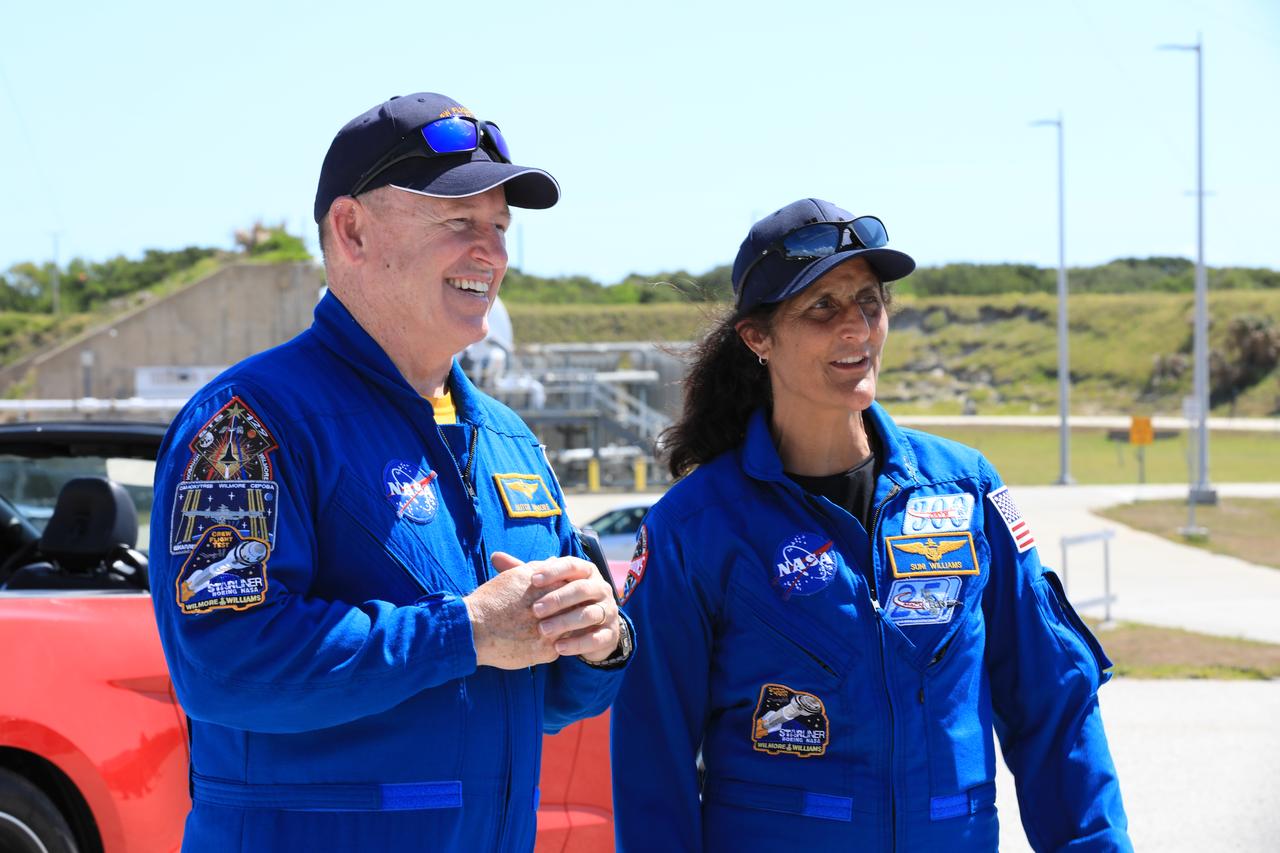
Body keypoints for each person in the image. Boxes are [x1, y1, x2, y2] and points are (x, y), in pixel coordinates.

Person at [150, 92, 632, 853]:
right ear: (351, 231)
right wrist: (466, 630)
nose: (491, 253)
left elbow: (541, 692)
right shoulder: (247, 423)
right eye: (459, 222)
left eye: (501, 229)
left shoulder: (506, 439)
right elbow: (225, 663)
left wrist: (600, 642)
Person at [610, 198, 1130, 851]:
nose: (856, 326)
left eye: (869, 302)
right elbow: (649, 761)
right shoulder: (695, 528)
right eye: (821, 307)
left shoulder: (967, 490)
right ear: (757, 337)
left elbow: (1053, 701)